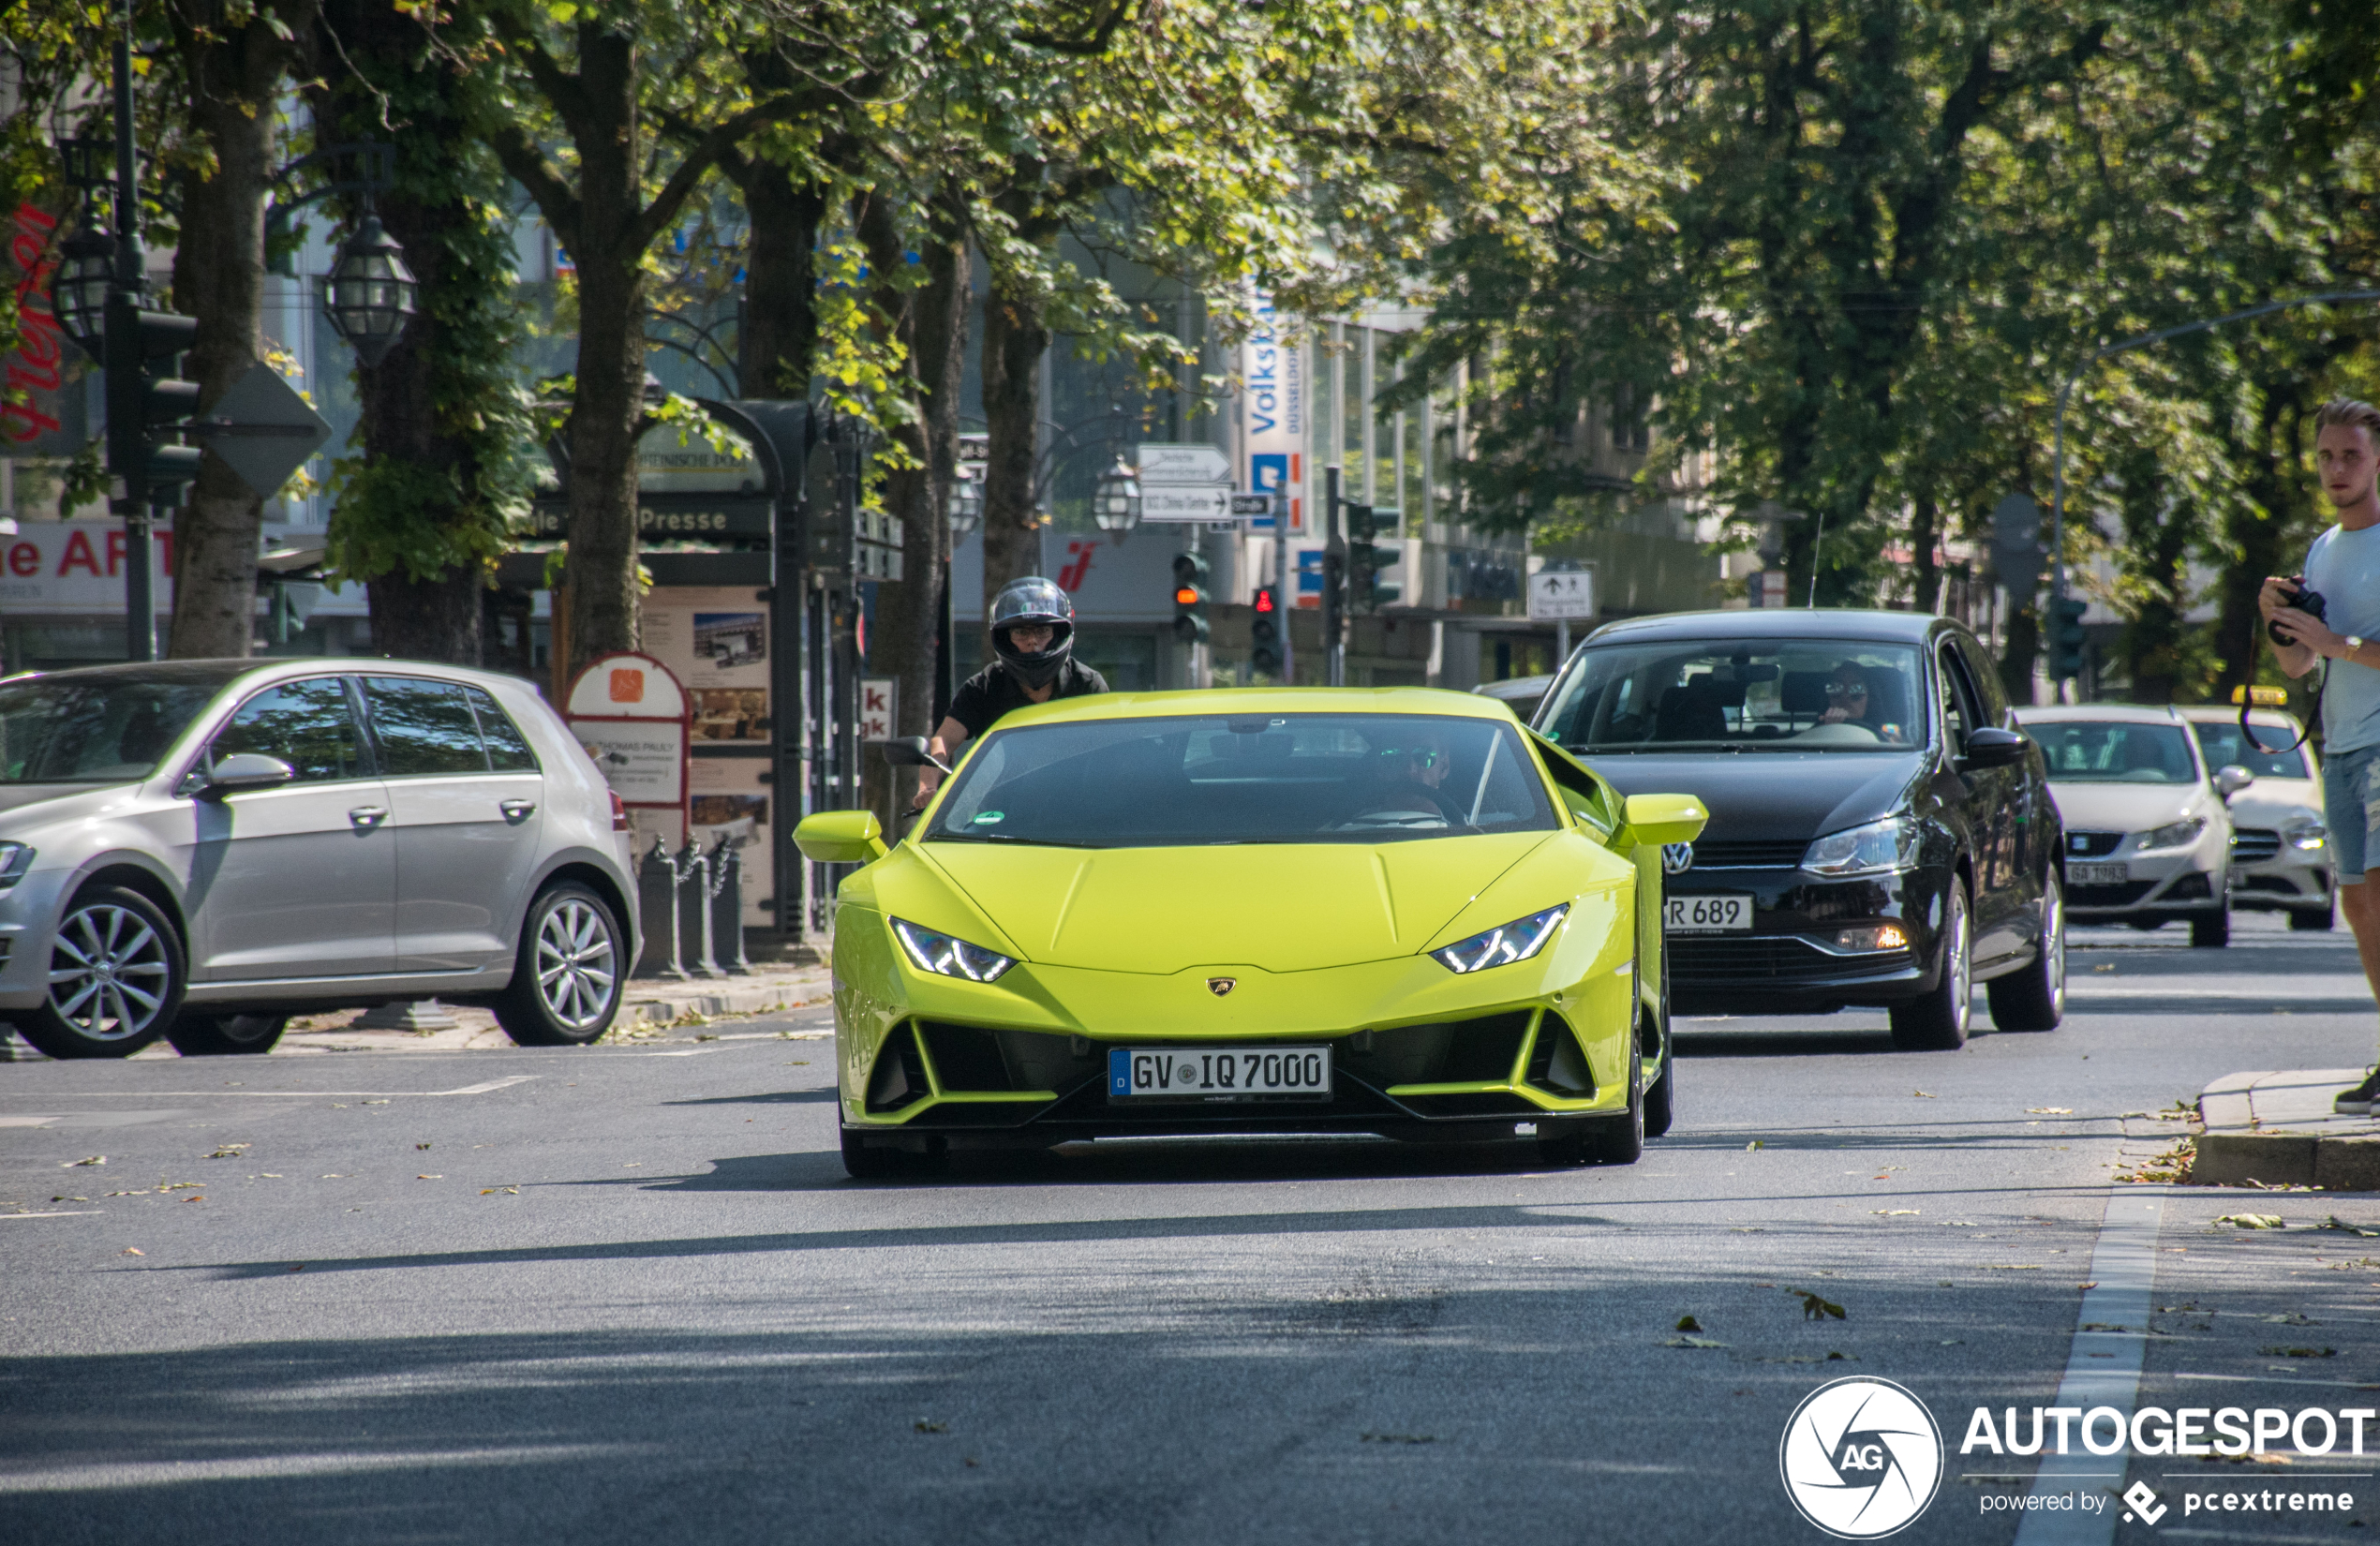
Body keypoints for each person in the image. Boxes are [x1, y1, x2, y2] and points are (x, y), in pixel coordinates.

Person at [2262, 396, 2380, 1114]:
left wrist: (2341, 645)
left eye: (2352, 455)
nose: (2337, 469)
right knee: (2359, 905)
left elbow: (2338, 651)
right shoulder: (2322, 550)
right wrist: (2278, 619)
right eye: (2327, 456)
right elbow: (2299, 669)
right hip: (2338, 749)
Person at [911, 576, 1108, 808]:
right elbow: (944, 740)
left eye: (1043, 631)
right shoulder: (984, 687)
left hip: (1078, 807)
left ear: (1059, 632)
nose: (1032, 642)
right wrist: (927, 788)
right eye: (1021, 633)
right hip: (1001, 811)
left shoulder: (1087, 685)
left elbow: (1108, 753)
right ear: (1005, 636)